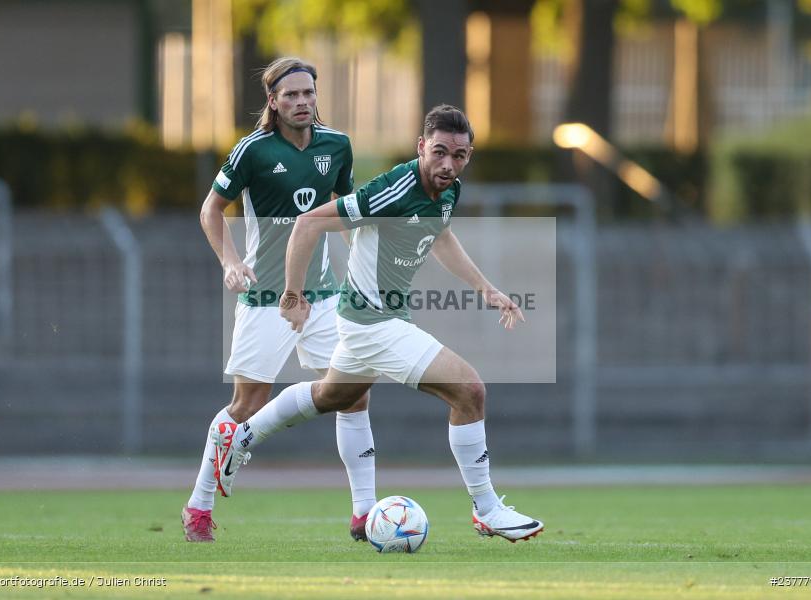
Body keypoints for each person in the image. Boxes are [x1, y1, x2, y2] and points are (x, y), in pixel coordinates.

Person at [212, 105, 544, 542]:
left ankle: (242, 436)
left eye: (459, 155)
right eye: (440, 152)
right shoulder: (393, 190)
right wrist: (293, 295)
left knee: (330, 395)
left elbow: (440, 234)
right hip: (374, 325)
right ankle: (486, 509)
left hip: (367, 321)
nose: (448, 164)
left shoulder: (449, 189)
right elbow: (309, 223)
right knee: (469, 390)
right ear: (421, 146)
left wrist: (485, 288)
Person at [182, 57, 376, 543]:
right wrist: (230, 262)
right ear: (272, 101)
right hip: (265, 298)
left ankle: (365, 514)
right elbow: (210, 210)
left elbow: (347, 215)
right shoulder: (252, 151)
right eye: (290, 95)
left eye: (308, 93)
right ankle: (199, 507)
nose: (302, 102)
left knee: (354, 392)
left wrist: (363, 269)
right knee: (247, 403)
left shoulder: (337, 146)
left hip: (324, 297)